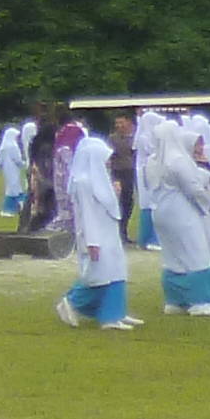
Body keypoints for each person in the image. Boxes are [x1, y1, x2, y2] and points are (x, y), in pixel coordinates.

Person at [56, 111, 139, 330]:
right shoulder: (83, 182)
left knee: (116, 272)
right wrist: (92, 242)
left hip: (108, 233)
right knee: (99, 275)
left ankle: (115, 312)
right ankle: (73, 302)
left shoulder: (99, 178)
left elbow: (108, 207)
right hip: (96, 236)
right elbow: (88, 215)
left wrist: (116, 193)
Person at [147, 110, 210, 316]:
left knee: (172, 257)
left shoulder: (152, 161)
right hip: (180, 213)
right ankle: (199, 301)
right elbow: (193, 188)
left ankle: (175, 300)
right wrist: (208, 200)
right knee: (196, 253)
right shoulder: (177, 159)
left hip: (160, 212)